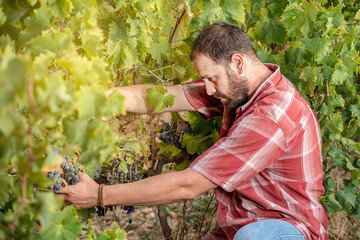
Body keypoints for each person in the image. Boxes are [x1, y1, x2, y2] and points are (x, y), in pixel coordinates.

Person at [59, 22, 328, 240]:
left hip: (286, 229)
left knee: (253, 236)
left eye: (211, 78)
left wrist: (99, 195)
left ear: (237, 63)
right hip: (244, 224)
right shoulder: (238, 89)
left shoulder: (271, 116)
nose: (209, 89)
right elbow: (157, 97)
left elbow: (188, 184)